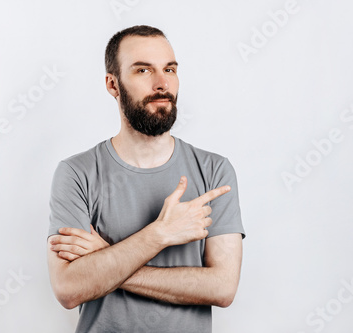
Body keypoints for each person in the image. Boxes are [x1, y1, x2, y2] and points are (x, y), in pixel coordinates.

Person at [46, 25, 245, 333]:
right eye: (143, 70)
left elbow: (222, 287)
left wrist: (105, 259)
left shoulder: (214, 170)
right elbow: (69, 289)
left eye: (169, 69)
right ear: (113, 85)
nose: (162, 83)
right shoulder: (76, 174)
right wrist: (160, 234)